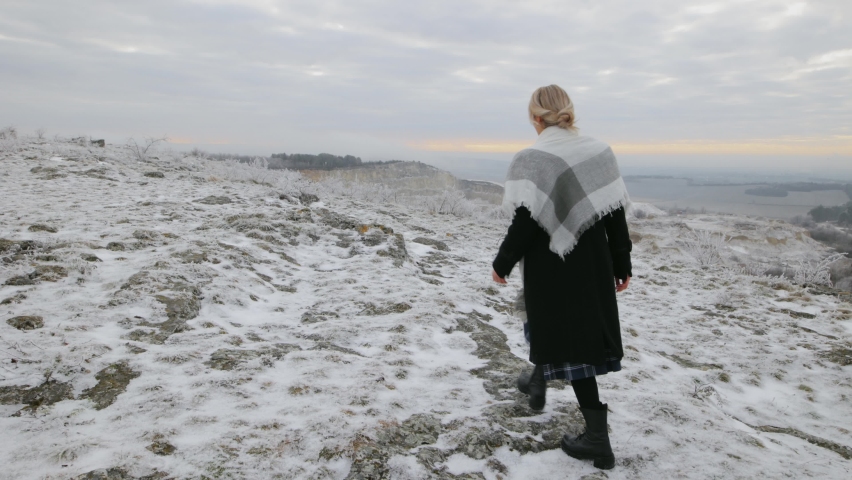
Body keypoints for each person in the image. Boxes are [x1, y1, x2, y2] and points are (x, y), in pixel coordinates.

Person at [491, 84, 632, 470]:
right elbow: (615, 212)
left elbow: (527, 220)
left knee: (576, 348)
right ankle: (537, 380)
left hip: (550, 264)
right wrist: (623, 263)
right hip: (592, 262)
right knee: (560, 328)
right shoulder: (599, 151)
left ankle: (598, 442)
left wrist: (502, 261)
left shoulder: (533, 158)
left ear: (535, 118)